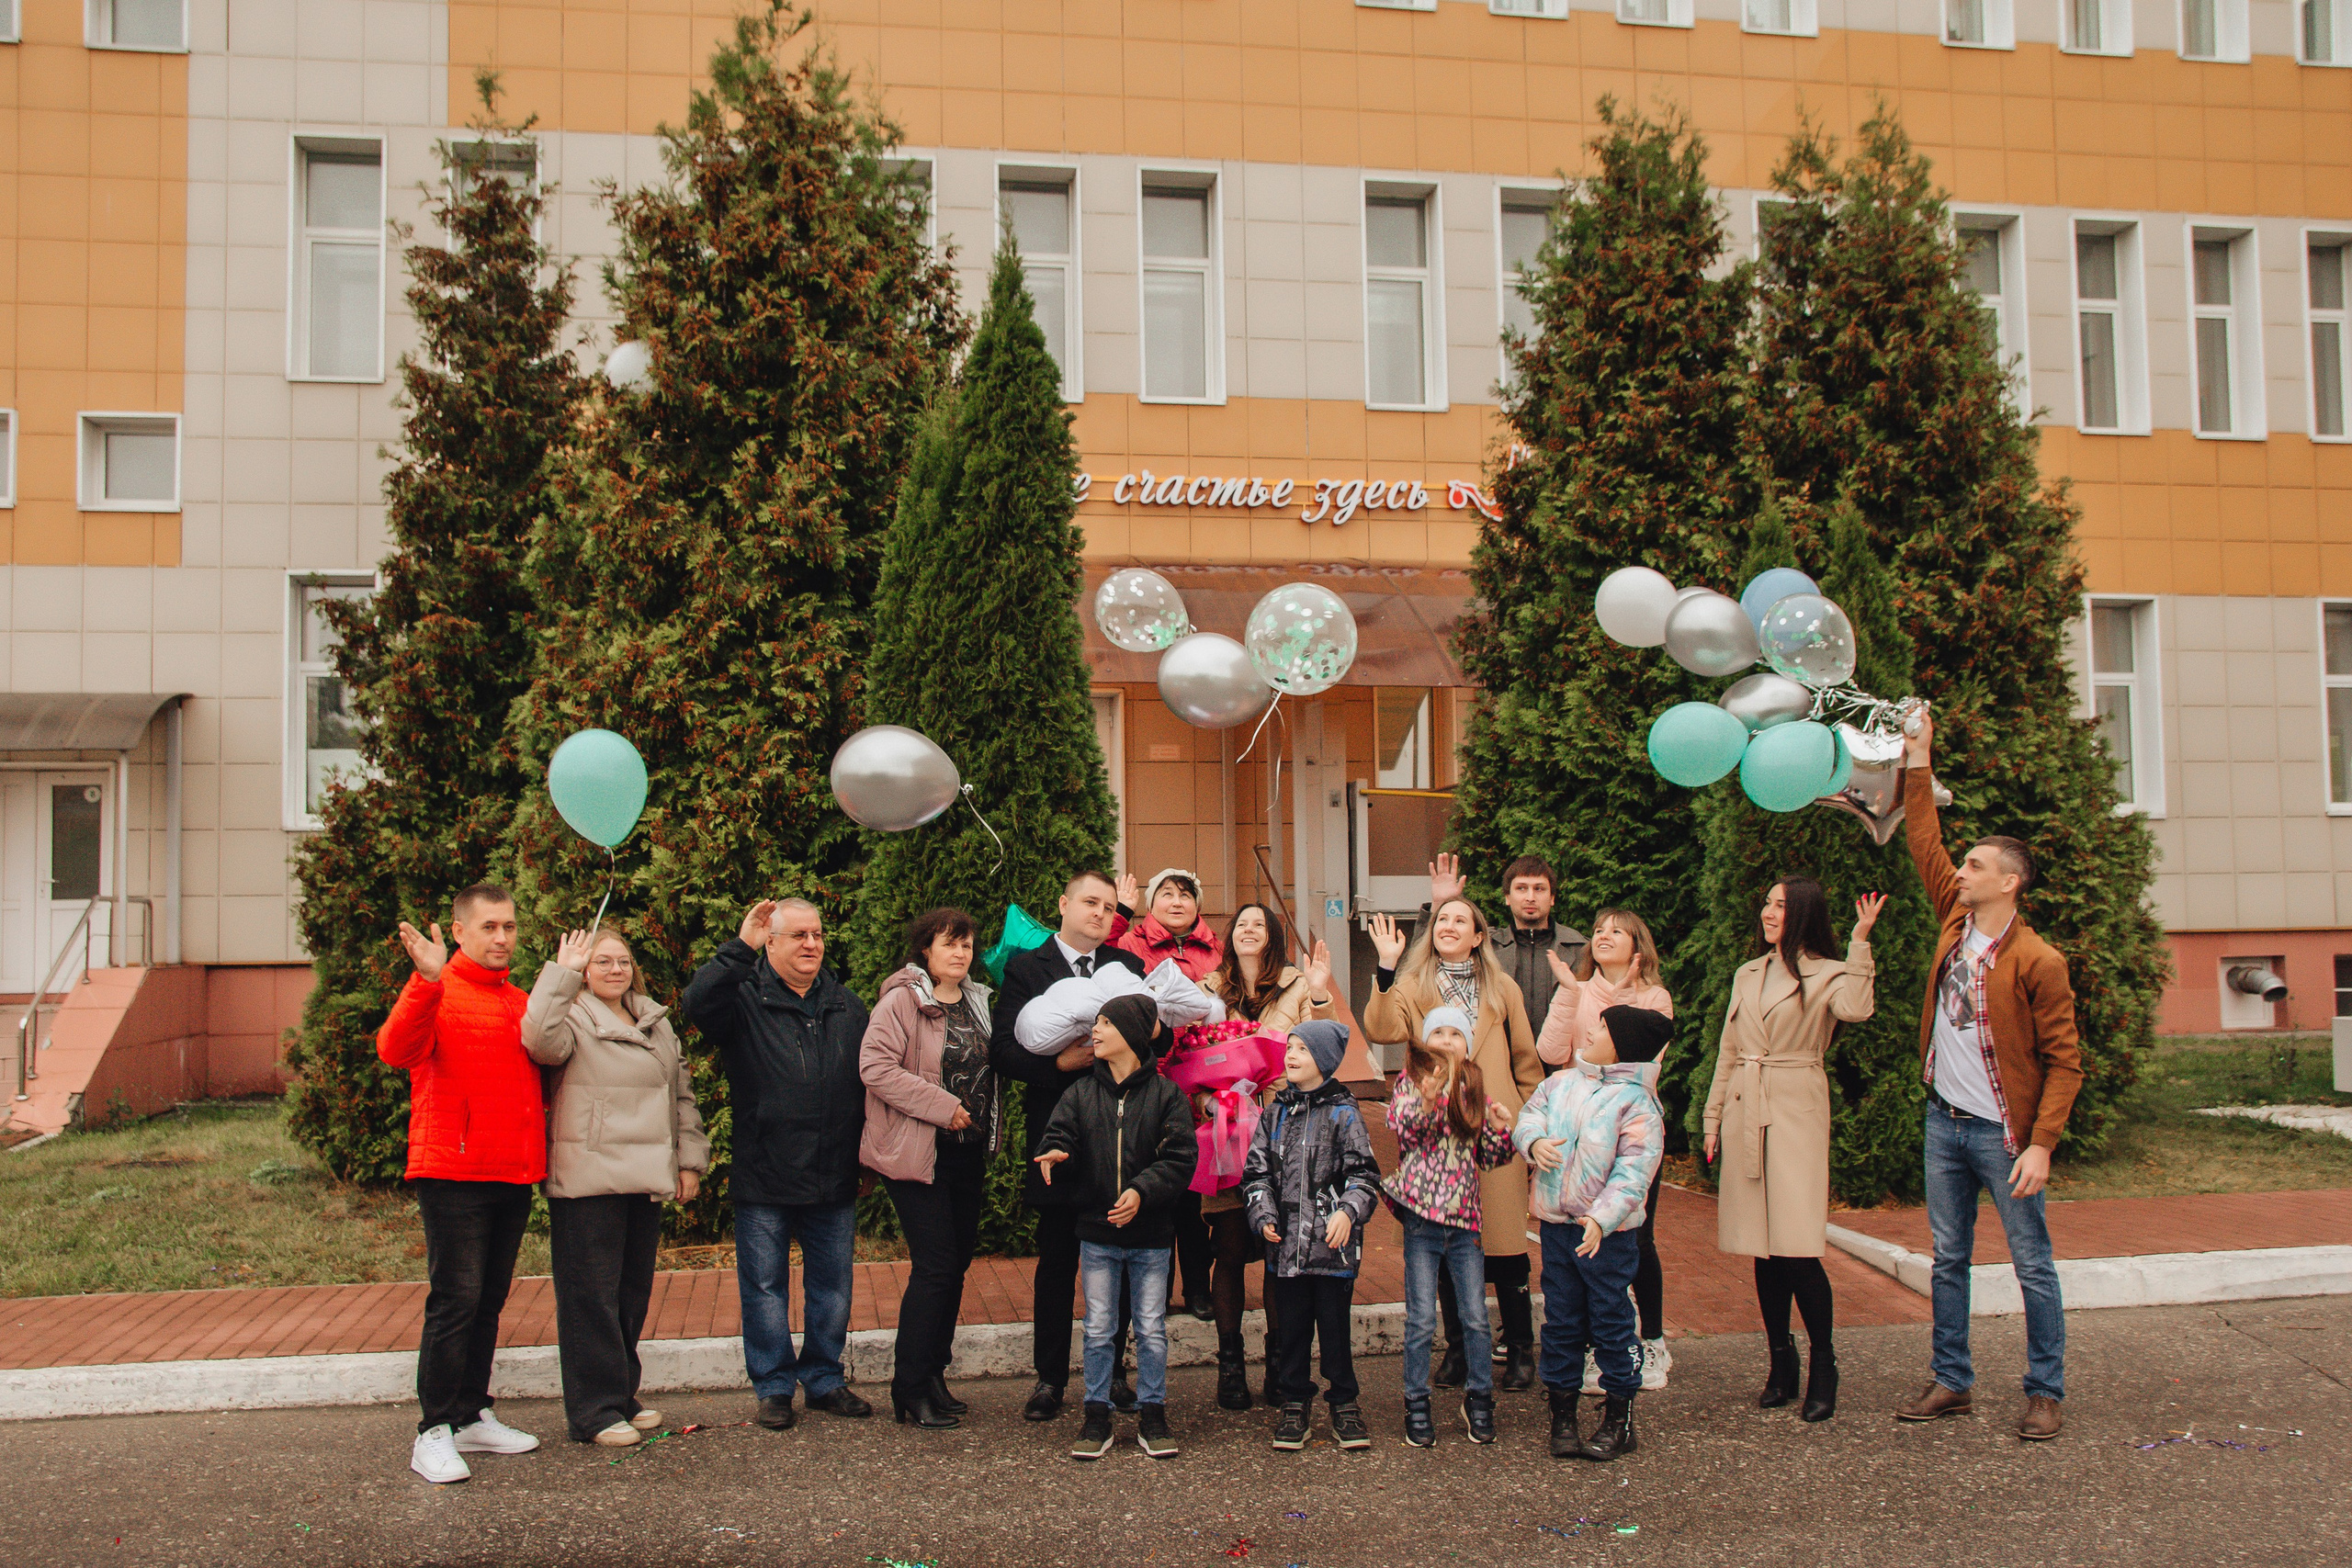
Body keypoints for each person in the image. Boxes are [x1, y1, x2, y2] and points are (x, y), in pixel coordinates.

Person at [1898, 706, 2083, 1442]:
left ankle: (2044, 1389)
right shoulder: (1954, 917)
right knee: (1949, 1258)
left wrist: (2040, 1144)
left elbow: (2066, 1060)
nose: (1961, 871)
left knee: (2032, 1264)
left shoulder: (2039, 960)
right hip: (1944, 1121)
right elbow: (1922, 837)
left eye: (1975, 865)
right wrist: (1919, 756)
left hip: (2005, 1135)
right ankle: (1953, 1379)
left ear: (2009, 882)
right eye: (1964, 864)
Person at [376, 884, 545, 1484]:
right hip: (453, 1173)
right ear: (460, 930)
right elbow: (394, 1049)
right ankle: (433, 1430)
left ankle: (472, 1413)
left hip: (512, 1173)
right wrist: (424, 979)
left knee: (489, 1300)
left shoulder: (520, 1000)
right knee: (456, 1299)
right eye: (490, 926)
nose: (502, 937)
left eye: (510, 926)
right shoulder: (438, 992)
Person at [682, 897, 872, 1431]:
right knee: (764, 1286)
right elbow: (697, 1005)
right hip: (764, 1172)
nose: (811, 944)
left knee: (831, 1285)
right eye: (797, 936)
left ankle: (824, 1380)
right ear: (771, 942)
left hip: (833, 1172)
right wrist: (738, 948)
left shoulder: (846, 1005)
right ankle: (773, 1387)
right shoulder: (742, 998)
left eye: (817, 934)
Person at [1702, 877, 1882, 1425]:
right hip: (1743, 1106)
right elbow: (1729, 1050)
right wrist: (1712, 1120)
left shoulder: (1828, 972)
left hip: (1796, 1106)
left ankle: (1824, 1363)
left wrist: (1861, 941)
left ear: (1802, 912)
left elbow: (1856, 1008)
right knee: (1761, 1245)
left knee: (1797, 1246)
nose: (1768, 912)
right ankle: (1781, 1360)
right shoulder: (1747, 972)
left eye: (1780, 905)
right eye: (1767, 902)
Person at [522, 927, 709, 1448]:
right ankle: (594, 1411)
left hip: (645, 1176)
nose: (614, 970)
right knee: (590, 1299)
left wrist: (688, 1161)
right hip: (589, 1178)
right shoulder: (571, 1016)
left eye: (622, 961)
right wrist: (558, 974)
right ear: (582, 970)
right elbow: (537, 1040)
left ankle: (622, 1395)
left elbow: (682, 1094)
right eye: (601, 962)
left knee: (629, 1294)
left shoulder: (653, 1018)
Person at [1364, 899, 1545, 1393]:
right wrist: (1385, 968)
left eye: (1460, 920)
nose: (1448, 926)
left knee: (1507, 1247)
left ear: (1478, 936)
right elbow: (1381, 1029)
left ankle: (1521, 1348)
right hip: (1436, 1136)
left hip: (1494, 1125)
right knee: (1444, 1243)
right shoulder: (1412, 984)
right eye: (1442, 919)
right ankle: (1460, 1348)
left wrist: (1526, 1126)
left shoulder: (1501, 987)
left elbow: (1527, 1061)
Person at [988, 871, 1148, 1422]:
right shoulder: (1026, 967)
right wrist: (1058, 1063)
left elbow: (1162, 1035)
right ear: (1062, 904)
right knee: (1057, 1260)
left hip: (1121, 1137)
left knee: (1120, 1259)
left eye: (1110, 906)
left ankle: (1117, 1376)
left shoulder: (1125, 968)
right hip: (1056, 1132)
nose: (1101, 913)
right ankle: (1050, 1378)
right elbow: (1003, 1050)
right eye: (1090, 902)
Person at [1034, 994, 1198, 1461]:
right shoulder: (1080, 1093)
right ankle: (1096, 1415)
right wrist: (1057, 1152)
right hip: (1097, 1234)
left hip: (1151, 1237)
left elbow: (1181, 1157)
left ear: (1130, 1033)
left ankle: (1152, 1413)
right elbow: (1060, 1132)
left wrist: (1143, 1192)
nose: (1095, 1032)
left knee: (1150, 1328)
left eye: (1106, 1023)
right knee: (1099, 1327)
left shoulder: (1168, 1096)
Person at [860, 907, 999, 1431]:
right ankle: (909, 1387)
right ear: (925, 950)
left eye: (967, 944)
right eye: (949, 944)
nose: (960, 953)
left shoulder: (978, 1001)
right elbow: (874, 1067)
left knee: (956, 1263)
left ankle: (934, 1375)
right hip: (917, 1152)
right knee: (936, 1265)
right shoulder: (902, 1000)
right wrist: (942, 1106)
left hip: (967, 1153)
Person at [1198, 902, 1337, 1409]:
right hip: (1228, 1132)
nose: (1249, 930)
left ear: (1273, 936)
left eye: (1259, 924)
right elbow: (1189, 1058)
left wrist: (1320, 995)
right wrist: (1209, 1100)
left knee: (1282, 1257)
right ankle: (1230, 1365)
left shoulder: (1300, 985)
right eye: (1241, 924)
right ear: (1229, 936)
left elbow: (1326, 1048)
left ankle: (1282, 1365)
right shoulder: (1208, 990)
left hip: (1287, 1131)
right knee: (1230, 1249)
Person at [1517, 1005, 1669, 1462]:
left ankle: (1619, 1417)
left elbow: (1633, 1173)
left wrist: (1602, 1219)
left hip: (1608, 1235)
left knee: (1611, 1319)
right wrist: (1533, 1141)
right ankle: (1562, 1413)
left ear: (1623, 1046)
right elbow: (1531, 1115)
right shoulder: (1561, 1082)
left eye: (1602, 1027)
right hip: (1558, 1228)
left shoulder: (1638, 1104)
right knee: (1561, 1319)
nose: (1591, 1029)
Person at [1538, 909, 1675, 1392]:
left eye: (1616, 930)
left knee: (1633, 1236)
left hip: (1626, 1133)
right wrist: (1568, 996)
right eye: (1598, 930)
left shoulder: (1655, 997)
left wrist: (1618, 998)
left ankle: (1652, 1341)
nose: (1602, 936)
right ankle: (1597, 1348)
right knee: (1575, 1243)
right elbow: (1552, 1052)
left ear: (1639, 945)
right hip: (1576, 1131)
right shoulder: (1576, 989)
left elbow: (1638, 1061)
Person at [1379, 1006, 1519, 1447]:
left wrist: (1499, 1131)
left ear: (1468, 1044)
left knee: (1476, 1317)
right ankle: (1415, 1402)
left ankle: (1479, 1398)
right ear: (1424, 1042)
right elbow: (1404, 1133)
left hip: (1465, 1222)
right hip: (1422, 1219)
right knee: (1421, 1318)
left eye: (1454, 1034)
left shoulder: (1473, 1086)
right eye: (1436, 1032)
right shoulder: (1411, 1081)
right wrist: (1425, 1101)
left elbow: (1488, 1159)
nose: (1445, 1040)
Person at [1241, 1020, 1380, 1453]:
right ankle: (1294, 1404)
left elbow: (1365, 1176)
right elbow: (1256, 1174)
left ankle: (1345, 1404)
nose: (1292, 1055)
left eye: (1302, 1049)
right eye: (1290, 1047)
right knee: (1292, 1330)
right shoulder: (1274, 1112)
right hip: (1285, 1250)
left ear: (1324, 1060)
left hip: (1332, 1251)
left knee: (1335, 1330)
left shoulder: (1344, 1112)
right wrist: (1262, 1214)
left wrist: (1348, 1211)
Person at [1427, 852, 1588, 1037]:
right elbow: (1424, 963)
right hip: (1500, 1060)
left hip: (1563, 1062)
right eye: (1521, 888)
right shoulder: (1485, 946)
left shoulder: (1579, 949)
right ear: (1507, 898)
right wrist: (1439, 905)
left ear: (1552, 898)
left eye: (1539, 889)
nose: (1530, 897)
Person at [1108, 867, 1226, 980]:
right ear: (1151, 907)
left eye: (1185, 895)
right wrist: (1121, 913)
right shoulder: (1128, 943)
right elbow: (1098, 955)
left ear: (1197, 907)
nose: (1177, 903)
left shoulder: (1219, 949)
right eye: (1167, 894)